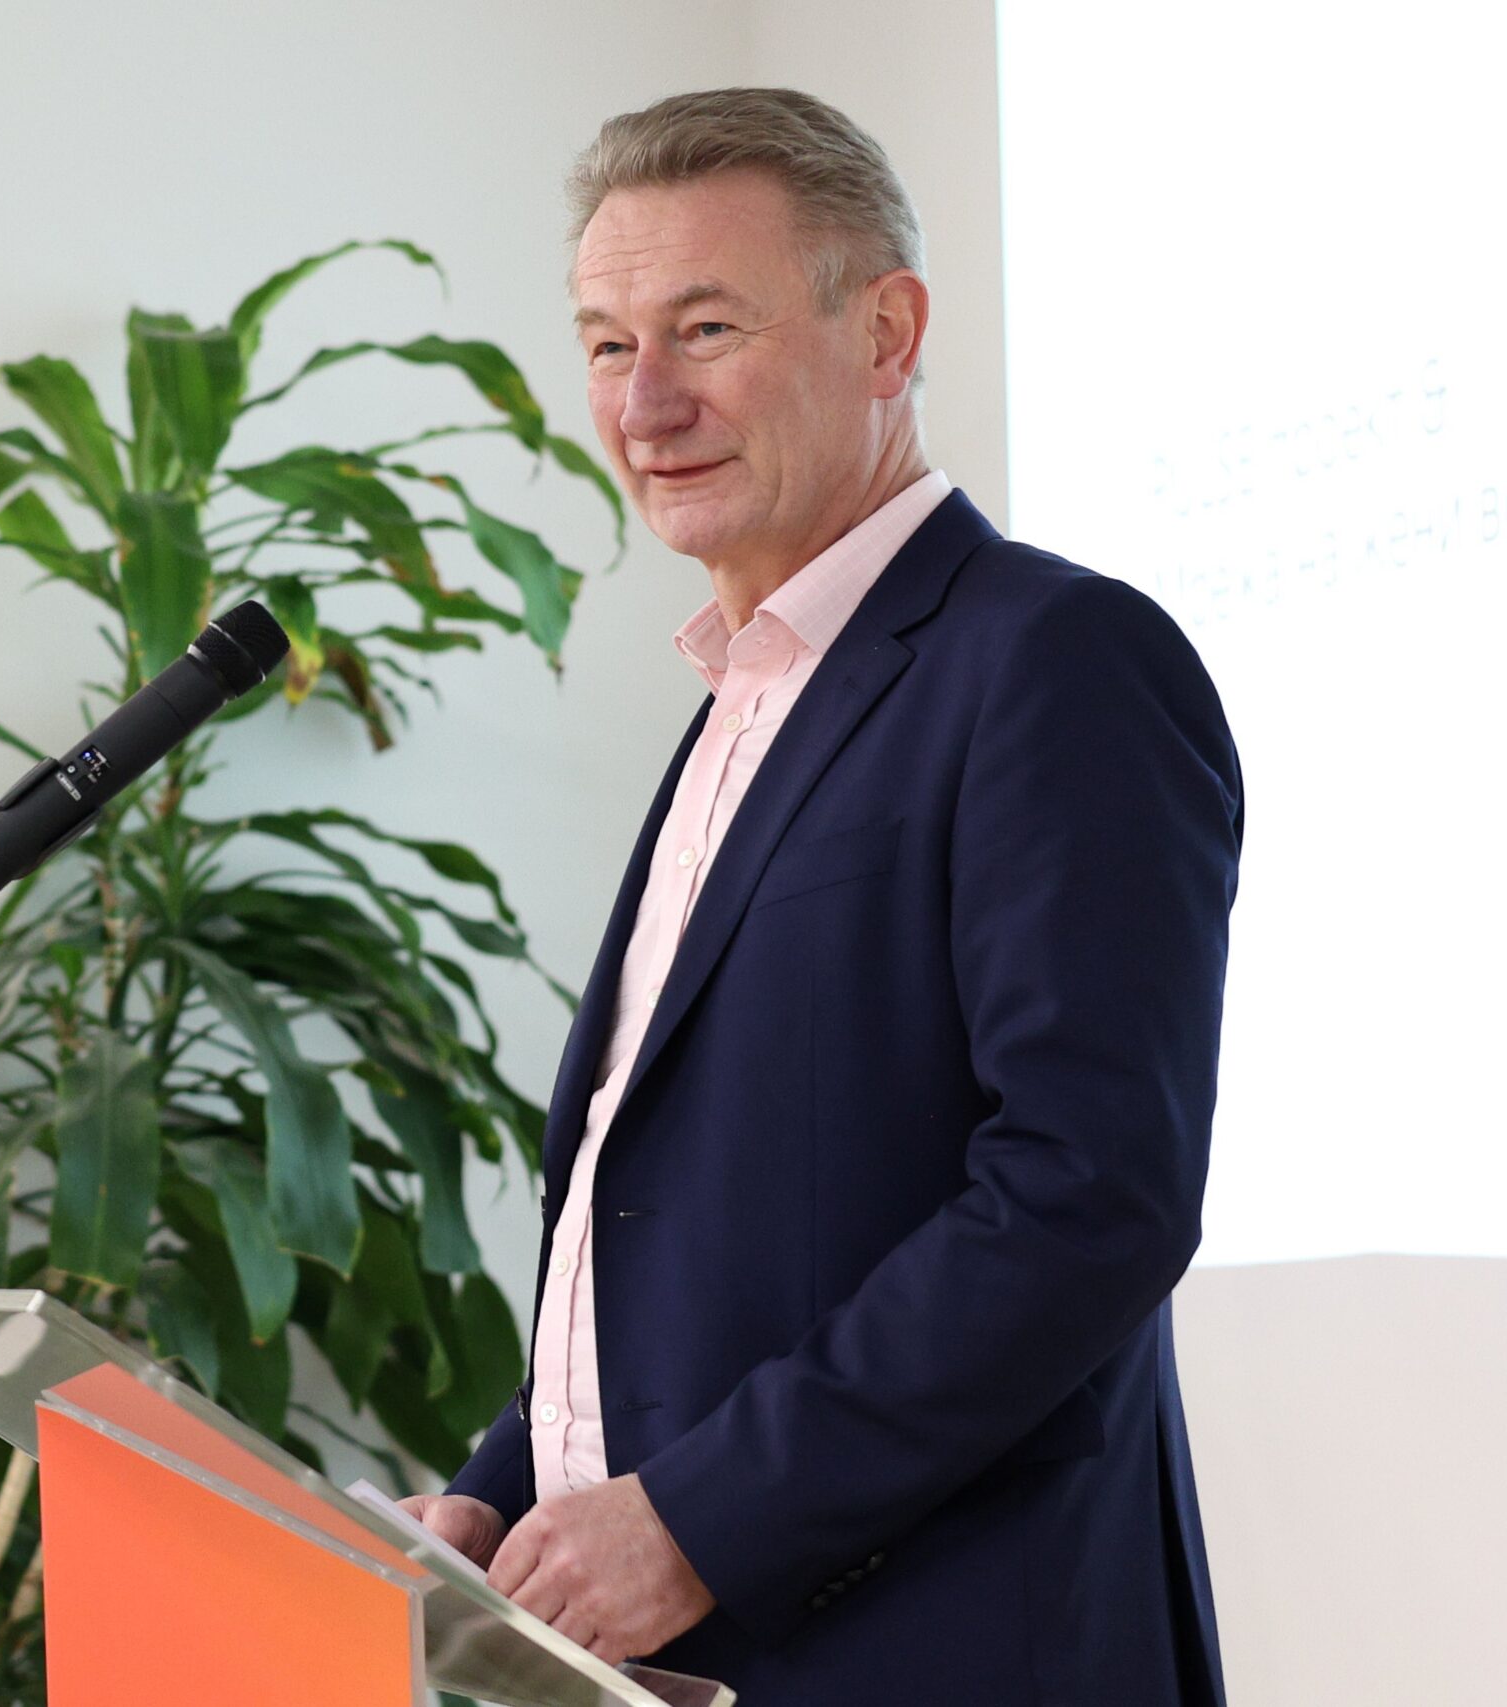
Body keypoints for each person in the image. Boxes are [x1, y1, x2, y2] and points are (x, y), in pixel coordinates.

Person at [395, 87, 1241, 1706]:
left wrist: (700, 1521)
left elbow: (1090, 1194)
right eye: (606, 344)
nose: (644, 402)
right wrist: (506, 1496)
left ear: (888, 333)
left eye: (705, 329)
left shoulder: (1052, 660)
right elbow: (674, 1228)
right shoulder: (741, 703)